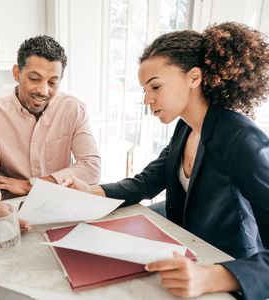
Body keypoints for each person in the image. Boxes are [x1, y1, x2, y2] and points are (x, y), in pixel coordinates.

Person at [62, 22, 269, 299]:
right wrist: (92, 191)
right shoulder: (185, 127)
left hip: (229, 272)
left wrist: (216, 275)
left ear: (194, 77)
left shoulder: (242, 139)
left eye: (155, 87)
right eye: (145, 90)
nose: (147, 99)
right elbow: (149, 181)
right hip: (189, 257)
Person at [0, 35, 101, 209]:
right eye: (34, 79)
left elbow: (91, 168)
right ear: (17, 73)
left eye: (52, 82)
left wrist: (31, 185)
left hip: (61, 203)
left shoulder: (73, 109)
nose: (43, 91)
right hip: (11, 207)